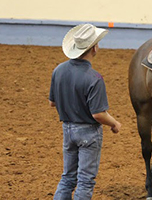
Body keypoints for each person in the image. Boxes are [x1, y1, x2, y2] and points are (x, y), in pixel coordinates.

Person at [49, 23, 122, 199]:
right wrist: (114, 123)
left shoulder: (58, 70)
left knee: (67, 177)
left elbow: (52, 102)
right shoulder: (95, 78)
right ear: (94, 48)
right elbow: (98, 114)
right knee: (85, 181)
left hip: (67, 128)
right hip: (88, 132)